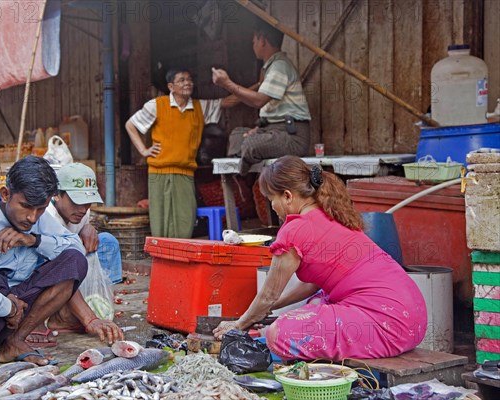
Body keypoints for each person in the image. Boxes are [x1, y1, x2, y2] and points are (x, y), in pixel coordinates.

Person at [0, 156, 123, 383]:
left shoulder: (37, 220)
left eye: (40, 209)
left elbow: (74, 247)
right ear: (6, 194)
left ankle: (15, 341)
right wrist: (8, 307)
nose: (32, 216)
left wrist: (32, 240)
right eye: (26, 206)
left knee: (73, 261)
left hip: (11, 318)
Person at [213, 156, 427, 361]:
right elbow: (312, 285)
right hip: (414, 318)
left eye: (272, 199)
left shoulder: (294, 230)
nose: (273, 206)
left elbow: (268, 294)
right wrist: (268, 309)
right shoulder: (333, 215)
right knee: (318, 301)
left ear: (287, 196)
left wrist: (238, 325)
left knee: (277, 334)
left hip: (388, 325)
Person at [125, 67, 237, 238]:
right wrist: (143, 150)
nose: (188, 83)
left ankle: (180, 260)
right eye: (182, 80)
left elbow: (228, 102)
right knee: (159, 222)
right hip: (158, 172)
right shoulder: (157, 105)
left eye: (189, 79)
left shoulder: (200, 107)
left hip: (185, 173)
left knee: (185, 219)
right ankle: (162, 260)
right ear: (171, 86)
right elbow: (130, 125)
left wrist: (259, 87)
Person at [36, 162, 122, 344]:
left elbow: (81, 231)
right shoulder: (45, 218)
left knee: (107, 242)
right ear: (57, 195)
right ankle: (59, 317)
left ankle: (100, 300)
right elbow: (61, 268)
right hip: (44, 278)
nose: (82, 210)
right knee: (69, 259)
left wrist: (88, 227)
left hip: (73, 264)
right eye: (76, 202)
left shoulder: (82, 211)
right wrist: (89, 319)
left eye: (87, 203)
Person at [212, 20, 312, 176]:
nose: (253, 46)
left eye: (254, 41)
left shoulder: (279, 66)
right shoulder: (270, 67)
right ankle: (246, 167)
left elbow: (259, 100)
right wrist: (259, 129)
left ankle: (244, 177)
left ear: (263, 40)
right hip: (273, 132)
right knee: (237, 135)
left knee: (252, 144)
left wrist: (227, 84)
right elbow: (271, 112)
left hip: (292, 137)